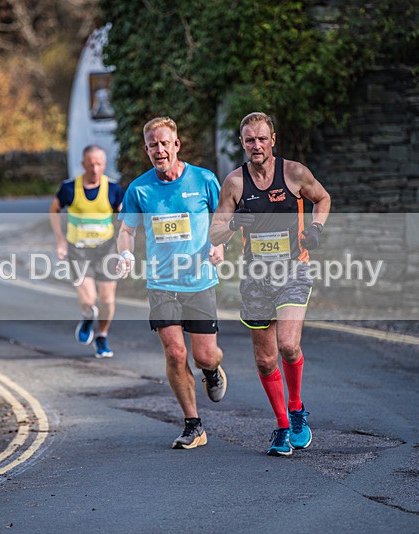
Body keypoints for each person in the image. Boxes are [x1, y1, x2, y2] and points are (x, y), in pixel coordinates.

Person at [209, 112, 331, 457]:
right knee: (265, 360)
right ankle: (280, 426)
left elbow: (322, 198)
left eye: (262, 138)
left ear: (273, 139)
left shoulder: (294, 173)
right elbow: (214, 232)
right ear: (242, 143)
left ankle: (296, 411)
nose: (256, 145)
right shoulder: (235, 182)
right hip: (256, 278)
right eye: (249, 140)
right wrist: (235, 223)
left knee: (288, 345)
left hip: (294, 269)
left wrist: (316, 229)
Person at [116, 116, 227, 450]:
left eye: (165, 143)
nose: (159, 150)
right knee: (175, 352)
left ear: (176, 144)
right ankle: (194, 425)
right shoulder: (139, 189)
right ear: (146, 149)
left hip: (200, 281)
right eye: (153, 145)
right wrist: (126, 255)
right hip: (162, 283)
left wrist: (219, 245)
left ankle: (213, 370)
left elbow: (224, 222)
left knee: (204, 356)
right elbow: (126, 230)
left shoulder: (204, 180)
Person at [49, 145, 124, 358]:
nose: (95, 168)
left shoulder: (114, 189)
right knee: (89, 298)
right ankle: (87, 315)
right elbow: (54, 210)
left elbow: (124, 218)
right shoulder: (69, 188)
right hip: (78, 250)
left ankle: (101, 335)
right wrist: (60, 240)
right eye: (90, 164)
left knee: (108, 299)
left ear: (104, 164)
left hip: (106, 248)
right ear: (83, 164)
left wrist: (125, 245)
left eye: (99, 163)